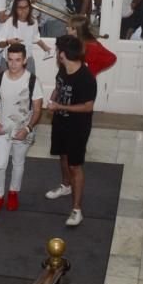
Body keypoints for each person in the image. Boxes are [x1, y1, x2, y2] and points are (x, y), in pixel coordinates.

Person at [0, 44, 44, 216]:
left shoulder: (32, 80)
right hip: (3, 129)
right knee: (0, 165)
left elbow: (38, 109)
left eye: (18, 60)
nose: (13, 64)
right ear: (6, 59)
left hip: (22, 131)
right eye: (10, 60)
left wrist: (27, 128)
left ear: (25, 60)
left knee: (18, 163)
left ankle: (13, 193)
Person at [46, 35, 97, 227]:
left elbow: (87, 107)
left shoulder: (86, 78)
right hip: (60, 122)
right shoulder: (63, 69)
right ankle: (65, 186)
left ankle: (77, 210)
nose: (57, 53)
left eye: (58, 50)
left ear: (62, 54)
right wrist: (53, 98)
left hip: (78, 127)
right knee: (63, 156)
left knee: (75, 165)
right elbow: (59, 87)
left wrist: (60, 107)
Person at [0, 0, 53, 74]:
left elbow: (35, 37)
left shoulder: (33, 21)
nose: (23, 10)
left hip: (26, 60)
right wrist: (8, 42)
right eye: (20, 8)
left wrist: (45, 47)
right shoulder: (9, 22)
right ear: (15, 9)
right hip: (10, 61)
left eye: (26, 7)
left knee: (30, 85)